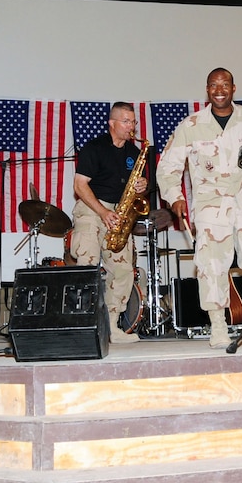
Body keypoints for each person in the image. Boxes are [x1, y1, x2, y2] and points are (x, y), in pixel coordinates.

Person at [156, 68, 242, 348]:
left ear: (233, 88)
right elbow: (168, 168)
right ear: (207, 90)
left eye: (225, 84)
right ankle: (218, 327)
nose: (220, 90)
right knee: (211, 266)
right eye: (214, 85)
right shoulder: (191, 126)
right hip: (211, 208)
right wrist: (175, 196)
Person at [69, 102, 149, 344]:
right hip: (92, 209)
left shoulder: (134, 153)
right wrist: (103, 212)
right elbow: (79, 185)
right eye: (126, 121)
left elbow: (136, 188)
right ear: (112, 123)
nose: (131, 127)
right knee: (88, 266)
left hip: (119, 213)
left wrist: (141, 187)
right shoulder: (94, 148)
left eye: (133, 121)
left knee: (124, 270)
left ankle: (112, 326)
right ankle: (83, 326)